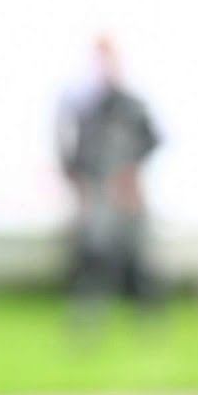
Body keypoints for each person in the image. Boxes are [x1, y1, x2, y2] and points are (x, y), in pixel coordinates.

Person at [57, 36, 161, 328]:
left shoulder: (132, 105)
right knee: (94, 252)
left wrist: (131, 172)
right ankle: (88, 316)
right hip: (98, 188)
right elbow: (73, 149)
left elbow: (152, 141)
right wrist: (77, 179)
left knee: (138, 256)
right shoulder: (86, 107)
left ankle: (148, 318)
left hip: (126, 189)